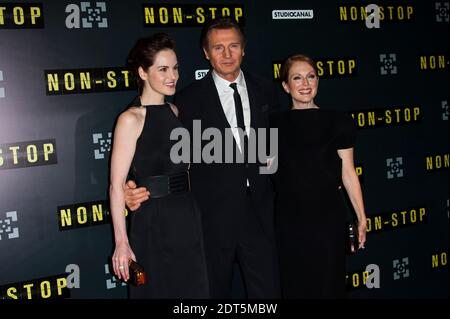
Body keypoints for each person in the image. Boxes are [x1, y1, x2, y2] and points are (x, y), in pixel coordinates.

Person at [124, 17, 280, 298]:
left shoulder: (266, 89)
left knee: (267, 294)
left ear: (244, 49)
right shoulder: (185, 101)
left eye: (233, 46)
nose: (227, 54)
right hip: (210, 218)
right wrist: (131, 187)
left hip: (260, 213)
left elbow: (281, 147)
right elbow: (153, 145)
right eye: (218, 48)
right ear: (206, 53)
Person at [109, 33, 209, 298]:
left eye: (175, 68)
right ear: (142, 72)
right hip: (153, 220)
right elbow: (116, 185)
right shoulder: (130, 119)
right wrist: (122, 243)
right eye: (162, 69)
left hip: (186, 215)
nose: (172, 75)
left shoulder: (175, 112)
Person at [271, 54, 367, 298]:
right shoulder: (272, 124)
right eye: (297, 77)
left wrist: (361, 217)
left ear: (318, 81)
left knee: (328, 285)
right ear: (285, 86)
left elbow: (348, 171)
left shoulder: (338, 122)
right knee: (295, 286)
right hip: (290, 220)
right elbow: (266, 172)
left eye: (310, 76)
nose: (305, 83)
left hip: (327, 218)